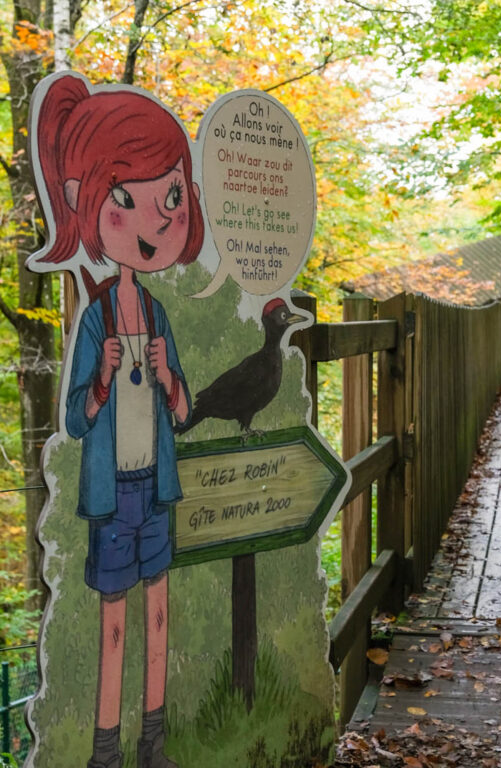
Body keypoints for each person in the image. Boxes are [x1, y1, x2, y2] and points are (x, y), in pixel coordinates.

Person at [34, 73, 204, 768]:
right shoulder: (95, 317)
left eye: (171, 197)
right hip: (115, 494)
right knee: (114, 625)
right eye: (126, 200)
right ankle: (105, 750)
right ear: (84, 202)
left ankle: (152, 741)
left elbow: (184, 413)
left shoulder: (157, 314)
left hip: (155, 489)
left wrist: (166, 377)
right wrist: (102, 378)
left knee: (159, 612)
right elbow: (76, 421)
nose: (157, 221)